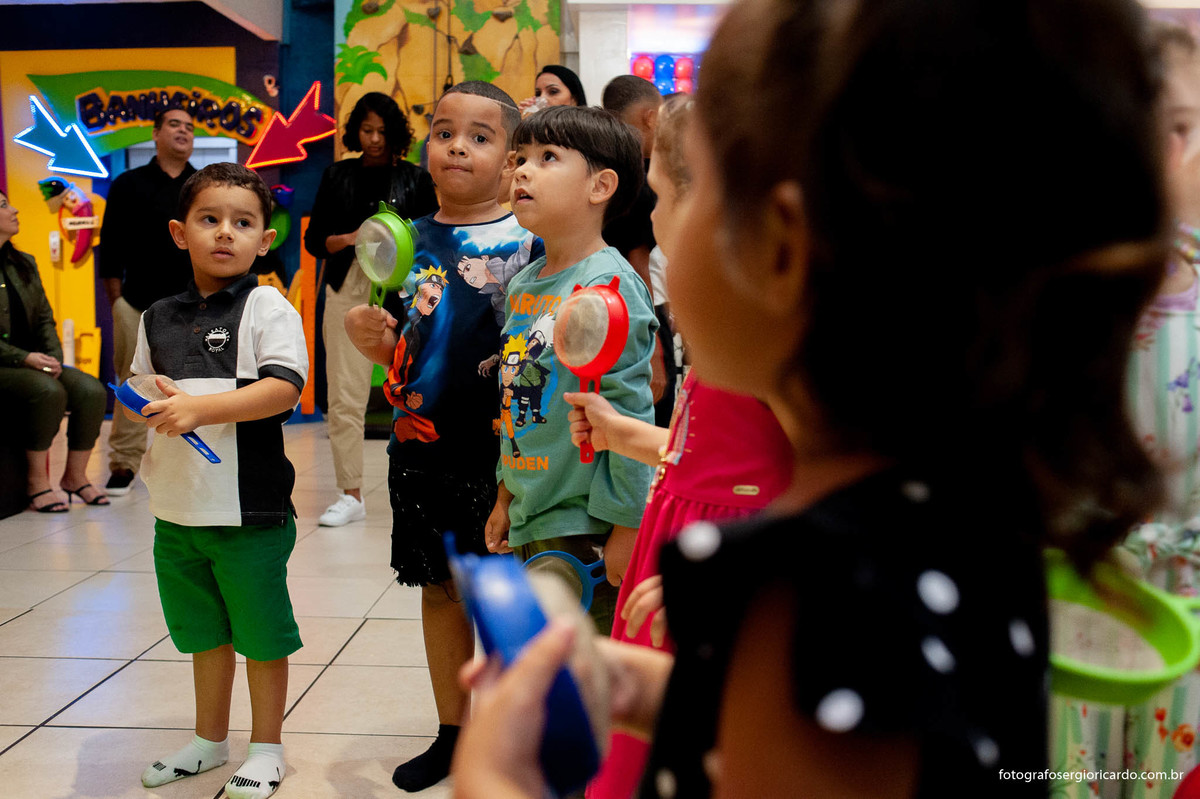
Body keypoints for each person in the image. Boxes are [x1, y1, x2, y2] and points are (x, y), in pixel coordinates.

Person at [451, 0, 1170, 796]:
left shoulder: (807, 592)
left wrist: (495, 780)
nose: (657, 229)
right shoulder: (963, 517)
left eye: (683, 200)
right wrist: (634, 687)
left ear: (780, 250)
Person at [566, 94, 792, 799]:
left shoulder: (770, 335)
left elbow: (833, 492)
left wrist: (744, 576)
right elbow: (723, 451)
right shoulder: (730, 320)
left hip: (725, 564)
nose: (652, 215)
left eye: (660, 193)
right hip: (685, 548)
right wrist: (628, 434)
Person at [343, 80, 541, 793]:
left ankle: (516, 731)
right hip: (421, 449)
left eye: (481, 136)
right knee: (439, 590)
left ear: (514, 157)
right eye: (444, 131)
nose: (458, 145)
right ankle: (453, 731)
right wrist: (367, 337)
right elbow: (395, 337)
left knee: (506, 594)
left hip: (508, 453)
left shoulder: (531, 240)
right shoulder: (401, 235)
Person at [1051, 22, 1200, 799]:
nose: (1156, 156)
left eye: (1178, 127)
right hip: (1072, 600)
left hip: (1189, 616)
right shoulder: (1038, 298)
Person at [126, 163, 307, 799]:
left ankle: (266, 749)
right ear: (180, 233)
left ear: (265, 239)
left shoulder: (267, 306)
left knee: (259, 634)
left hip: (249, 510)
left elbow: (284, 389)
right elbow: (140, 386)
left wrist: (200, 409)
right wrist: (149, 398)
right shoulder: (156, 316)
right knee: (204, 631)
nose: (225, 233)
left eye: (243, 223)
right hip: (177, 510)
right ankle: (209, 740)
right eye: (209, 220)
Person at [485, 105, 658, 637]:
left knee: (586, 679)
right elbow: (514, 402)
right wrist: (505, 496)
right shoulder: (526, 283)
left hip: (587, 522)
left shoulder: (610, 285)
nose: (522, 171)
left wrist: (627, 528)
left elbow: (629, 411)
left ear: (600, 185)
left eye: (548, 158)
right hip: (532, 509)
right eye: (520, 159)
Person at [304, 91, 439, 527]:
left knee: (423, 385)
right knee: (345, 394)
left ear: (395, 132)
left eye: (383, 130)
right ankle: (351, 492)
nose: (375, 138)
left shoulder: (415, 179)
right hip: (348, 285)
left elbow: (431, 238)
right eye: (367, 130)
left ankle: (425, 483)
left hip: (409, 290)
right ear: (355, 132)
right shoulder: (337, 175)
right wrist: (355, 238)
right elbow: (314, 240)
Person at [98, 107, 197, 496]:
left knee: (192, 382)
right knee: (132, 382)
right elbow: (110, 245)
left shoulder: (201, 186)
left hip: (192, 305)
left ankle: (187, 461)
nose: (183, 132)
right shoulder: (128, 184)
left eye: (189, 127)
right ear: (155, 133)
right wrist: (116, 299)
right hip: (135, 302)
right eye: (175, 124)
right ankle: (123, 462)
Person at [0, 191, 108, 512]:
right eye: (4, 205)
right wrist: (25, 358)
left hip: (32, 360)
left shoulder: (25, 263)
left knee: (90, 390)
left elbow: (46, 318)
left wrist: (54, 359)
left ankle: (75, 477)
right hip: (9, 363)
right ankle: (37, 483)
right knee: (48, 391)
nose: (15, 209)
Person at [601, 75, 674, 425]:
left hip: (602, 309)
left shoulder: (607, 168)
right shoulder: (638, 178)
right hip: (639, 314)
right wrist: (656, 349)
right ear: (651, 117)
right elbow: (639, 264)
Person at [517, 65, 587, 116]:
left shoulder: (589, 131)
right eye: (538, 93)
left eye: (553, 92)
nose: (542, 98)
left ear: (574, 99)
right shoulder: (537, 129)